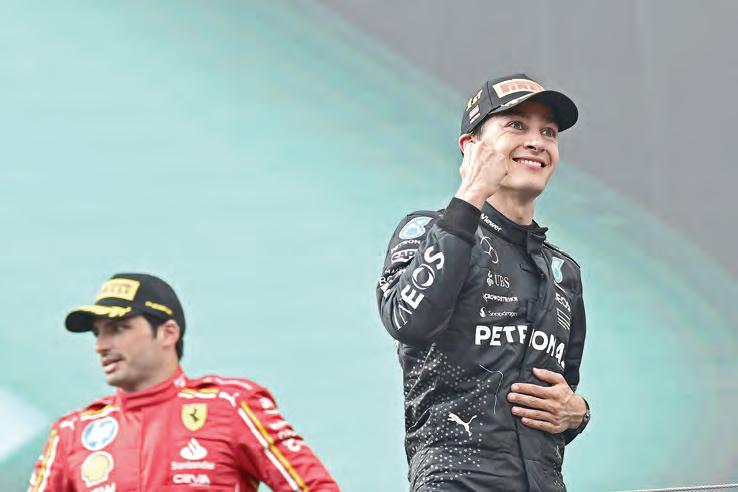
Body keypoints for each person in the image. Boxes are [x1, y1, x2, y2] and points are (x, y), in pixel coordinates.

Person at [376, 74, 590, 491]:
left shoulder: (564, 271)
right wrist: (472, 191)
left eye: (548, 132)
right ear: (471, 146)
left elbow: (559, 402)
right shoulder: (428, 231)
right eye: (516, 125)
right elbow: (408, 321)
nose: (536, 141)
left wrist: (578, 413)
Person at [28, 273, 339, 491]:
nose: (101, 345)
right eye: (97, 333)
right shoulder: (72, 433)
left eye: (118, 328)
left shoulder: (231, 406)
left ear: (168, 333)